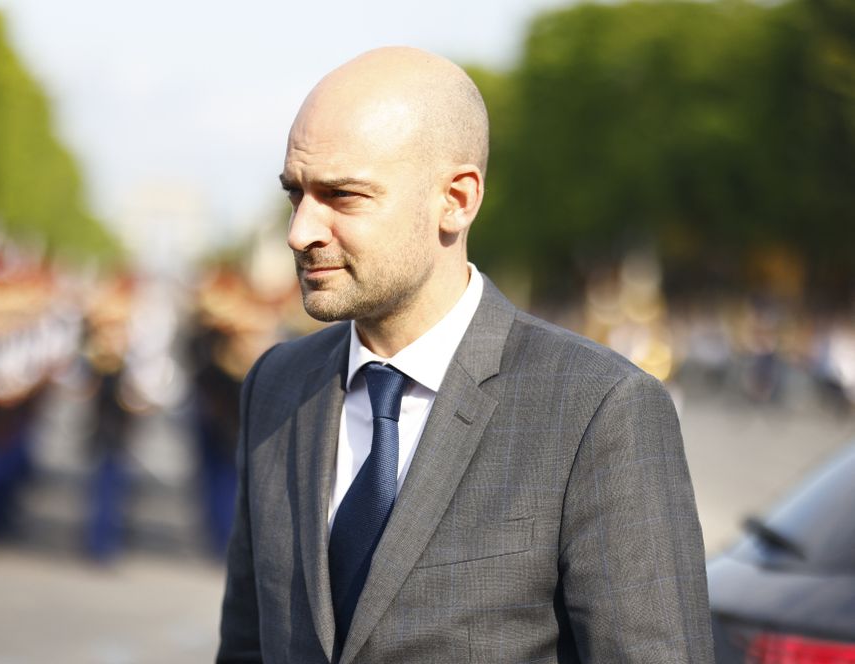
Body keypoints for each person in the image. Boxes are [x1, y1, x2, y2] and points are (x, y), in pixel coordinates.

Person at [218, 46, 713, 664]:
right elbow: (246, 643)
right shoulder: (277, 383)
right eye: (295, 194)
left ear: (456, 199)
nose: (300, 231)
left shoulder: (599, 409)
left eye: (342, 195)